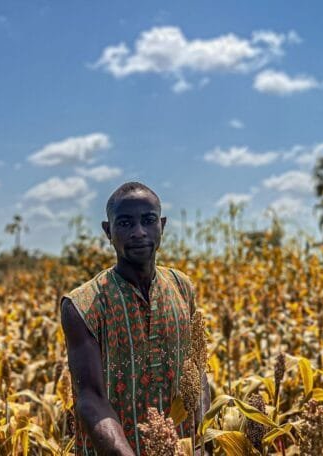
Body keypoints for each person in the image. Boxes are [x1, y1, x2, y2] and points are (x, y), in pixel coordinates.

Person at [60, 182, 211, 455]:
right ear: (108, 231)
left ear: (162, 225)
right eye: (126, 223)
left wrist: (202, 440)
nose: (139, 232)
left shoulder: (181, 286)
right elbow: (90, 398)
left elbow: (196, 371)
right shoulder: (82, 305)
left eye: (148, 220)